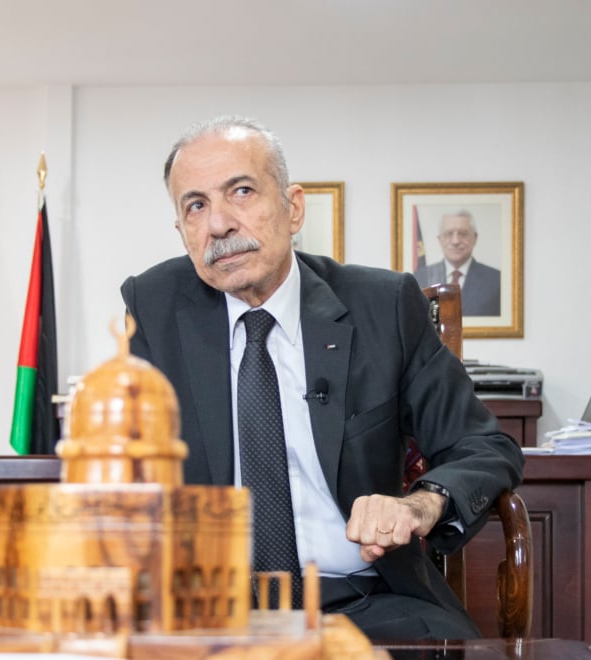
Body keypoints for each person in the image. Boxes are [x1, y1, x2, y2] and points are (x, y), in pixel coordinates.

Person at [120, 116, 524, 640]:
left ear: (293, 208)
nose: (218, 224)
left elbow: (483, 445)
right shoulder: (154, 307)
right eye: (196, 205)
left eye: (241, 191)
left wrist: (419, 504)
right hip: (208, 610)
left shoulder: (381, 306)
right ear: (182, 231)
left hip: (364, 602)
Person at [414, 210, 501, 316]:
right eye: (448, 234)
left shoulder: (496, 280)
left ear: (475, 238)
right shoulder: (420, 278)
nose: (455, 241)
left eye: (463, 234)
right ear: (440, 239)